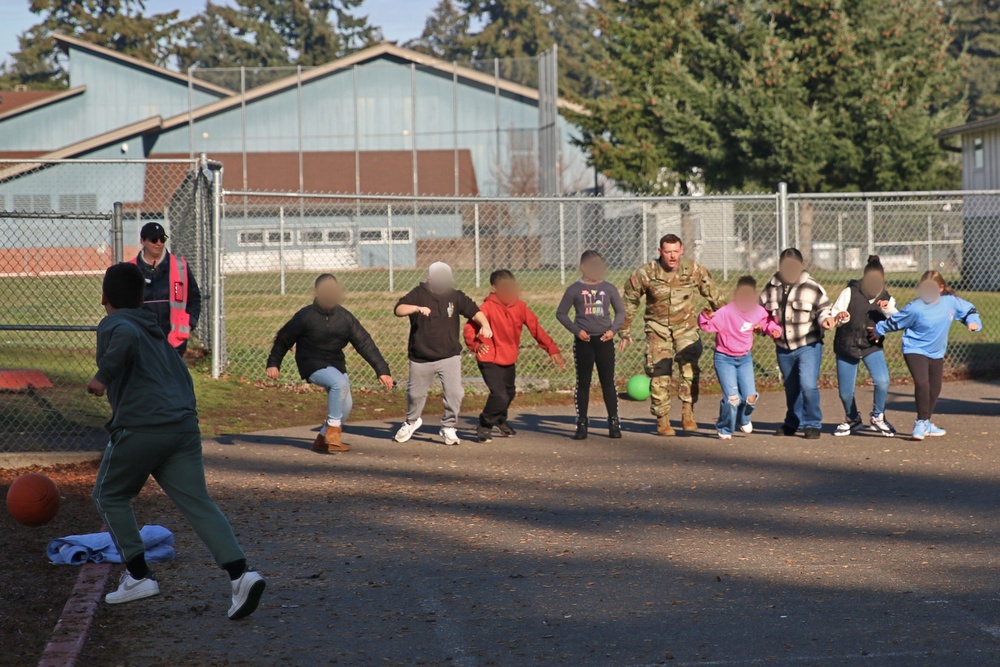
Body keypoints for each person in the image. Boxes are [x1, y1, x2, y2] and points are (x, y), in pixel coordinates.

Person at [87, 262, 264, 618]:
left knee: (109, 495)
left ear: (104, 297)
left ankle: (138, 575)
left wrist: (102, 376)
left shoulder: (116, 324)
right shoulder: (157, 334)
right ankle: (241, 575)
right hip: (182, 427)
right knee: (198, 502)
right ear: (142, 299)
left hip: (142, 427)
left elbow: (123, 340)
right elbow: (180, 376)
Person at [265, 274, 394, 453]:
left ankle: (322, 438)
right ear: (317, 293)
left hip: (335, 364)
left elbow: (365, 343)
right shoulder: (305, 316)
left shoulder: (345, 317)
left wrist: (382, 370)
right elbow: (284, 339)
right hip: (310, 362)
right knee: (338, 384)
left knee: (345, 406)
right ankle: (333, 433)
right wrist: (273, 363)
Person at [620, 234, 724, 437]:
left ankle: (687, 413)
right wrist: (625, 329)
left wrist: (728, 321)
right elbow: (630, 300)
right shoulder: (646, 272)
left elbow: (714, 294)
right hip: (657, 328)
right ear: (660, 252)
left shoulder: (693, 270)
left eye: (675, 251)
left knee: (689, 370)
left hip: (686, 327)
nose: (672, 256)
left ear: (682, 250)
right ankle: (663, 419)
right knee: (660, 373)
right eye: (667, 252)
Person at [873, 271, 981, 440]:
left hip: (936, 352)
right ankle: (921, 422)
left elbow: (969, 310)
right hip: (914, 348)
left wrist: (973, 322)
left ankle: (926, 423)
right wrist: (879, 330)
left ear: (940, 288)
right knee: (922, 383)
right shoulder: (916, 307)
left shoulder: (950, 302)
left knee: (935, 387)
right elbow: (897, 320)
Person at [392, 262, 493, 446]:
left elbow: (474, 311)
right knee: (415, 395)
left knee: (455, 393)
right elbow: (399, 309)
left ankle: (448, 426)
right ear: (430, 279)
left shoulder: (455, 296)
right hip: (421, 357)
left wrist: (485, 325)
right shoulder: (418, 294)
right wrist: (415, 308)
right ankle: (412, 421)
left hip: (449, 356)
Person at [464, 270, 565, 443]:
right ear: (494, 288)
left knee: (509, 393)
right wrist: (476, 345)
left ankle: (500, 419)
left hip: (508, 357)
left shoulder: (520, 307)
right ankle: (484, 423)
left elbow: (536, 329)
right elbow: (469, 329)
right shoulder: (486, 308)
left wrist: (552, 349)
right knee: (499, 394)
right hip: (489, 357)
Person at [760, 248, 837, 439]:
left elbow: (824, 309)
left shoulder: (812, 287)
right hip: (783, 347)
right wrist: (759, 326)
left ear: (801, 267)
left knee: (808, 384)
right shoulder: (771, 287)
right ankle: (793, 422)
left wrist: (826, 320)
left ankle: (812, 423)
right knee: (792, 387)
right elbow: (761, 313)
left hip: (808, 344)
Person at [698, 276, 782, 440]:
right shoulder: (726, 312)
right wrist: (705, 317)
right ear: (735, 294)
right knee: (732, 399)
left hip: (744, 359)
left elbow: (767, 322)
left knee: (750, 397)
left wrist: (773, 329)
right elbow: (706, 326)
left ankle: (743, 419)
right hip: (724, 359)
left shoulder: (757, 310)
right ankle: (724, 427)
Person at [557, 250, 626, 440]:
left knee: (608, 382)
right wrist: (577, 331)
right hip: (584, 342)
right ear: (583, 267)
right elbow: (561, 313)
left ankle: (613, 422)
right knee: (583, 383)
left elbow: (620, 312)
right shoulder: (574, 290)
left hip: (604, 340)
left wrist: (613, 330)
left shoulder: (609, 288)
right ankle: (582, 423)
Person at [829, 255, 898, 437]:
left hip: (870, 346)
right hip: (847, 345)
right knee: (845, 393)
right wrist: (840, 317)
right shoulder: (849, 292)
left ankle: (878, 417)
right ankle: (852, 419)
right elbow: (835, 314)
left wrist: (887, 309)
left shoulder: (885, 298)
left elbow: (898, 320)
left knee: (883, 381)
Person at [130, 222, 202, 355]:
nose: (159, 243)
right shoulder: (131, 269)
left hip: (175, 341)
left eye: (162, 239)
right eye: (154, 239)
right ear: (143, 241)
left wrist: (189, 322)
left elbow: (194, 298)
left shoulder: (179, 266)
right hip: (143, 341)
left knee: (172, 375)